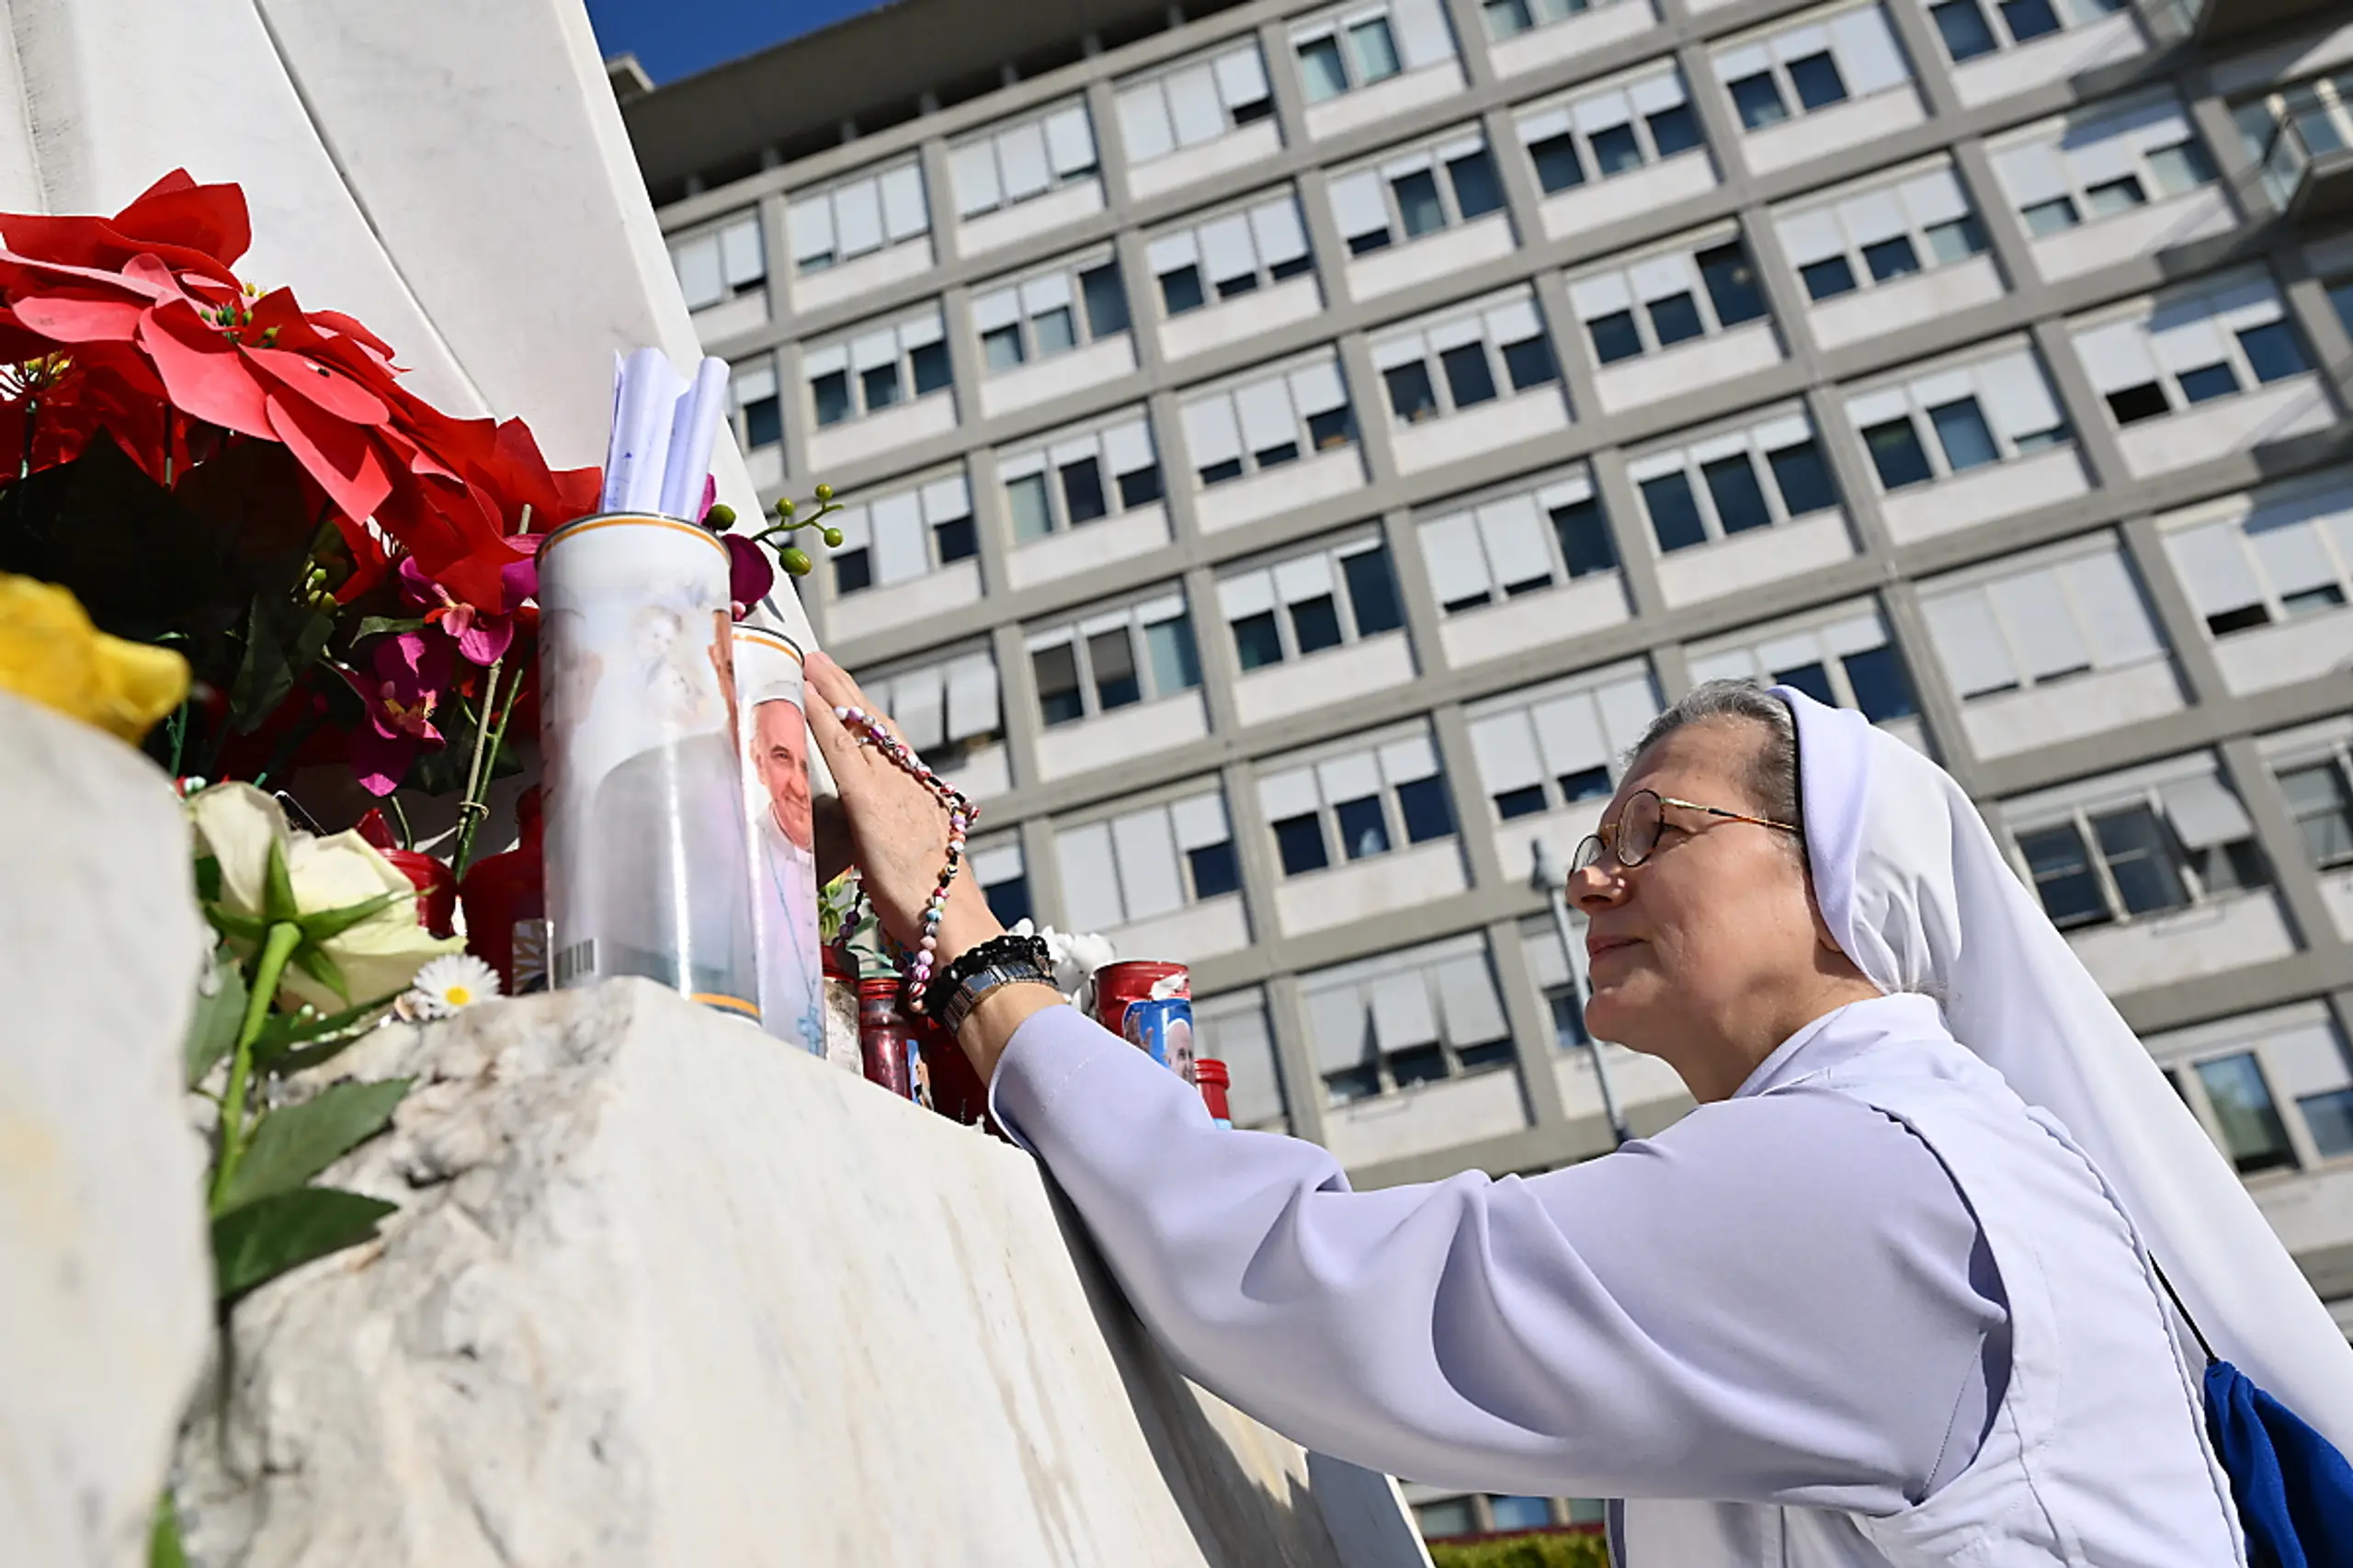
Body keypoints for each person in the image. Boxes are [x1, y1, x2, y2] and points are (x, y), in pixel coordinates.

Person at [804, 652, 2353, 1565]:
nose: (1585, 876)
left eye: (1652, 829)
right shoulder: (1933, 1156)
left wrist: (971, 948)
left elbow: (1324, 1295)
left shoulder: (1876, 1175)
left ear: (1838, 882)